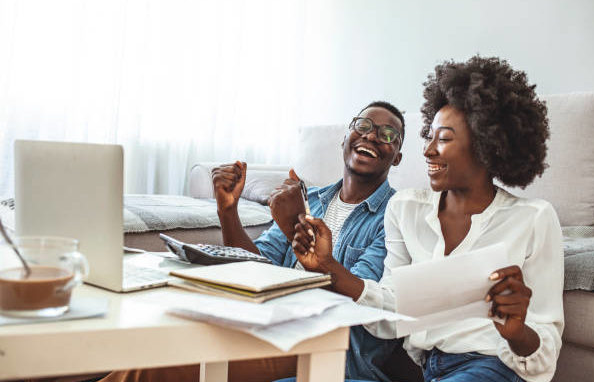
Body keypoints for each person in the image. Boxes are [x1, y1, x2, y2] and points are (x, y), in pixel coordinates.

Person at [293, 56, 564, 382]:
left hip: (496, 367)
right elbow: (391, 315)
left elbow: (544, 351)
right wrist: (327, 267)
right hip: (430, 370)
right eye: (430, 137)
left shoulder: (533, 218)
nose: (428, 151)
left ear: (486, 146)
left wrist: (517, 331)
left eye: (444, 139)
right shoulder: (406, 209)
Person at [98, 101, 406, 382]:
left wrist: (293, 231)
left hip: (323, 346)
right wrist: (228, 211)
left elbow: (357, 303)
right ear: (345, 138)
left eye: (388, 134)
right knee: (158, 343)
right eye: (363, 126)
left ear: (397, 157)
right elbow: (255, 265)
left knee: (158, 367)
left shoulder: (394, 216)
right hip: (266, 324)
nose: (372, 136)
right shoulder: (310, 198)